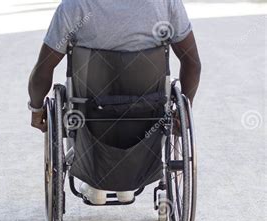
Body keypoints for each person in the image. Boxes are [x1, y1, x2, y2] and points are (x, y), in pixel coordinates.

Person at [28, 0, 201, 204]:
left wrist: (37, 109)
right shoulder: (165, 4)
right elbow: (192, 63)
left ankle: (96, 181)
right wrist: (182, 114)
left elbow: (43, 70)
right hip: (148, 115)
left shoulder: (74, 6)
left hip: (91, 117)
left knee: (83, 106)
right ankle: (126, 176)